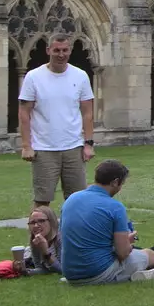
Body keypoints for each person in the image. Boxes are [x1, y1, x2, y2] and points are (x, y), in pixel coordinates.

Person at [59, 159, 154, 284]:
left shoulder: (71, 199)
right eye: (122, 183)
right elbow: (122, 253)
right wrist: (127, 243)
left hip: (70, 273)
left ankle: (138, 273)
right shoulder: (114, 207)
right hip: (97, 273)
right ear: (115, 182)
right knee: (149, 255)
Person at [17, 34, 95, 208]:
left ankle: (75, 235)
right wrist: (26, 146)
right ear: (48, 51)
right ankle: (39, 235)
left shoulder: (80, 76)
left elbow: (87, 112)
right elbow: (24, 113)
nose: (61, 54)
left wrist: (88, 144)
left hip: (73, 147)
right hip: (44, 148)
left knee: (78, 200)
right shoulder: (33, 77)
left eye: (65, 50)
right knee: (42, 200)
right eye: (57, 50)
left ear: (70, 51)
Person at [19, 205, 62, 276]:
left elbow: (63, 270)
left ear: (51, 221)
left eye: (41, 221)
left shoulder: (61, 239)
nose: (36, 225)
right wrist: (26, 271)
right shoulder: (35, 240)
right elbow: (41, 268)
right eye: (32, 222)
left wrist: (46, 253)